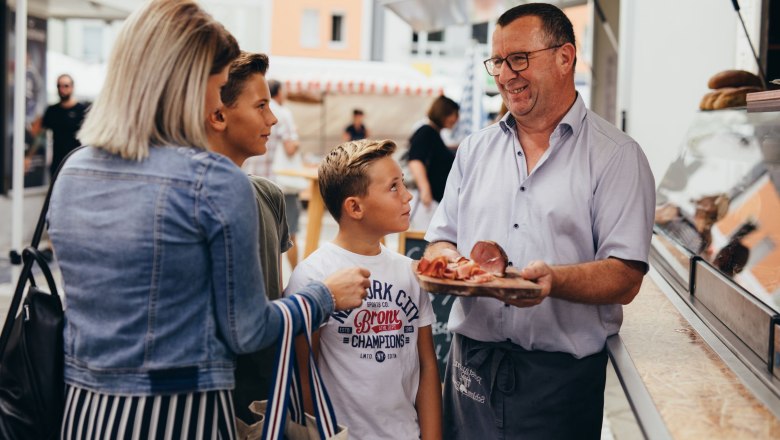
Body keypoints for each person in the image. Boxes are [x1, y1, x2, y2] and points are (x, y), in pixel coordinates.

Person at [46, 2, 369, 438]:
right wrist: (322, 296)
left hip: (84, 412)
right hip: (180, 415)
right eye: (218, 88)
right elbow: (249, 332)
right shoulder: (213, 182)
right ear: (183, 85)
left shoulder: (74, 169)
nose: (219, 103)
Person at [424, 4, 655, 439]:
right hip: (469, 367)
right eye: (498, 61)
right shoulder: (473, 151)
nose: (505, 75)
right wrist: (450, 265)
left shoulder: (617, 156)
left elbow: (626, 276)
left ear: (565, 57)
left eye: (519, 59)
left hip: (560, 382)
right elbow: (440, 241)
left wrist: (553, 280)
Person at [285, 139, 442, 440]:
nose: (408, 196)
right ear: (355, 207)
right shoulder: (312, 276)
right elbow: (302, 376)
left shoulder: (410, 272)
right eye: (394, 187)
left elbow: (427, 367)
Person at [203, 51, 295, 422]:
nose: (272, 119)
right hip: (213, 399)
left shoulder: (268, 195)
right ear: (219, 114)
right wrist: (319, 300)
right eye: (260, 106)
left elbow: (272, 289)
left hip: (268, 391)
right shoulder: (191, 201)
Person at [244, 79, 306, 269]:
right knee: (288, 237)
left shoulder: (251, 111)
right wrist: (296, 139)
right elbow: (290, 148)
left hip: (250, 182)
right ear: (278, 93)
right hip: (278, 186)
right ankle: (296, 280)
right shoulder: (282, 114)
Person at [407, 95, 459, 230]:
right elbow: (415, 160)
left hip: (434, 200)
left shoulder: (434, 133)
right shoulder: (426, 131)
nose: (456, 119)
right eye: (454, 114)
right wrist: (425, 190)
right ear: (443, 113)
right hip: (427, 202)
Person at [34, 74, 89, 177]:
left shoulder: (82, 110)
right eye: (59, 86)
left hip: (76, 163)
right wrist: (30, 156)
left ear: (72, 87)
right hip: (57, 164)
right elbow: (41, 135)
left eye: (66, 86)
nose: (62, 89)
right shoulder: (52, 110)